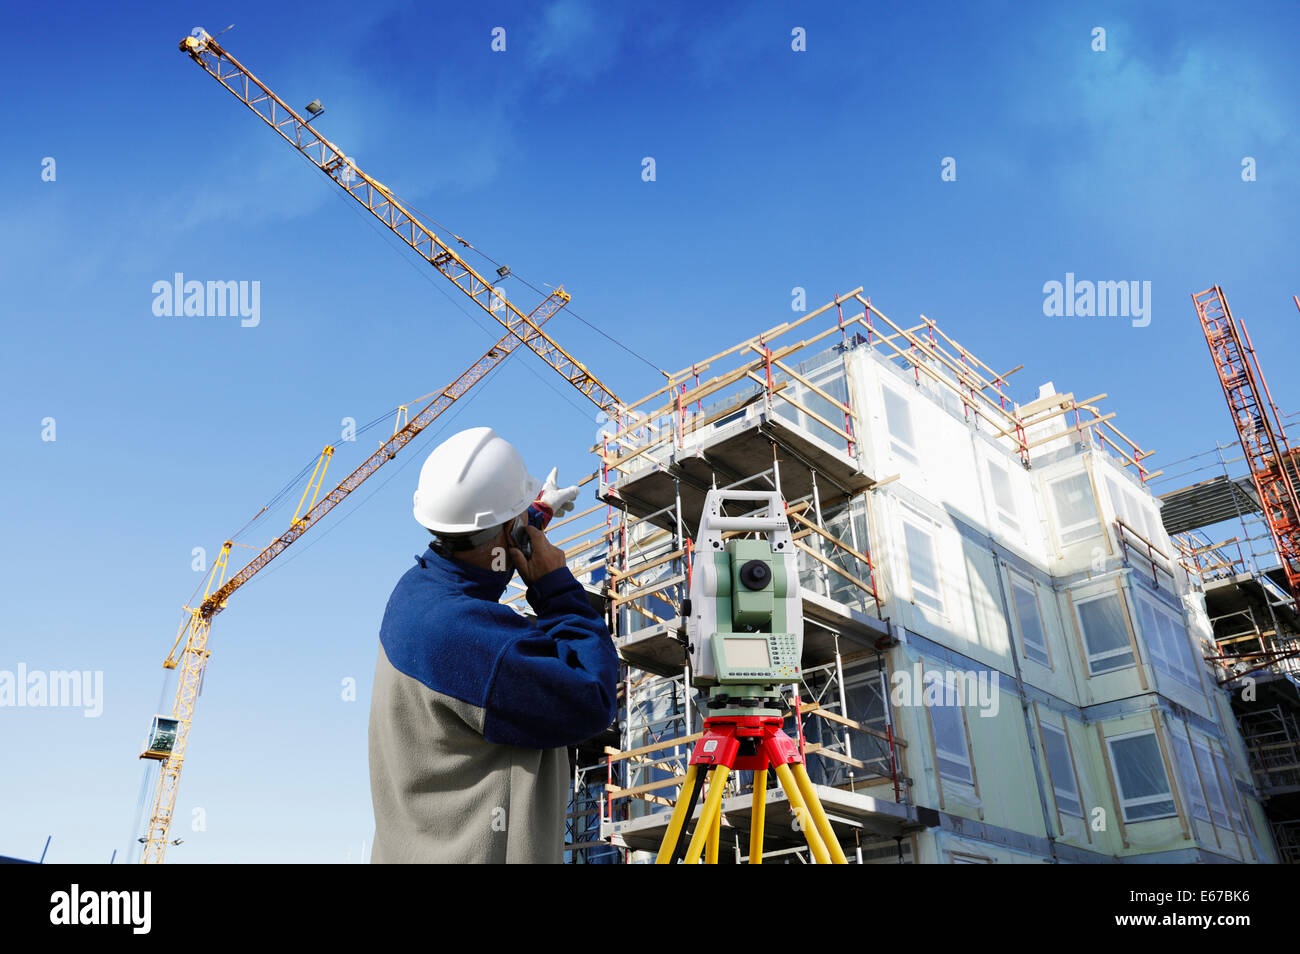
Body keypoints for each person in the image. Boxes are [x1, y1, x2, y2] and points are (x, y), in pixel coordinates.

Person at [368, 426, 618, 863]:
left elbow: (481, 550)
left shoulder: (417, 593)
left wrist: (534, 514)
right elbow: (592, 696)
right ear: (506, 531)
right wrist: (556, 589)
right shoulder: (476, 641)